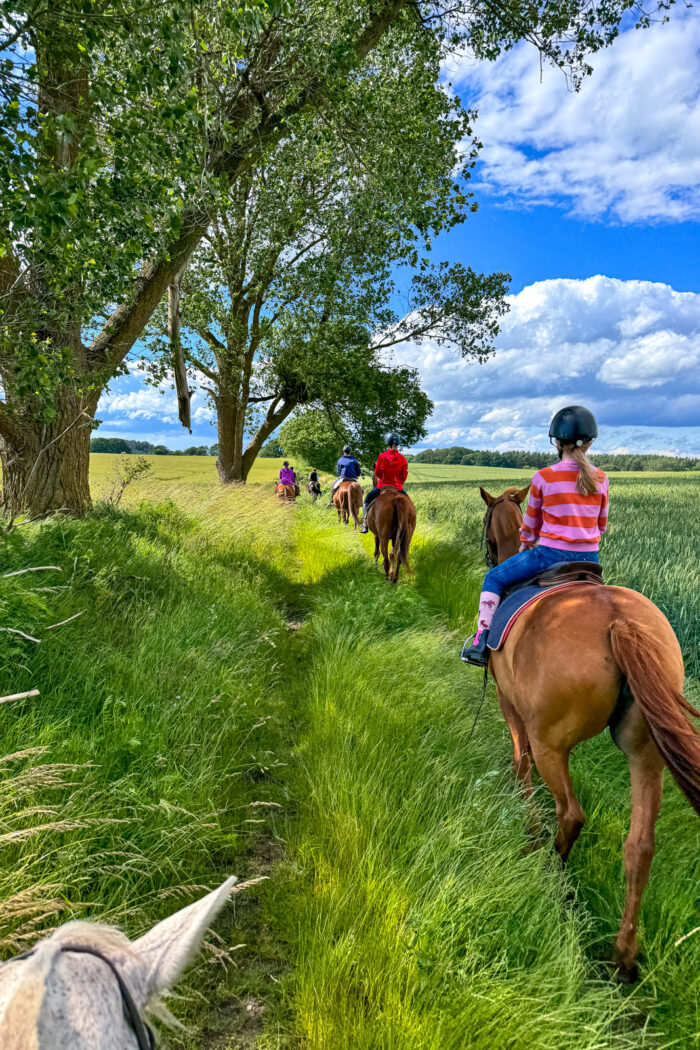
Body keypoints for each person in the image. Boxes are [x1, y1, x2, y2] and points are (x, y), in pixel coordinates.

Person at [461, 405, 609, 666]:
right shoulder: (601, 478)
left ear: (556, 442)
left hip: (548, 556)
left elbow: (530, 526)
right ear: (591, 442)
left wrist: (526, 544)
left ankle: (480, 641)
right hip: (590, 559)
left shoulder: (543, 477)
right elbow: (601, 526)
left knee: (493, 577)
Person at [359, 433, 408, 534]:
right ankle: (408, 526)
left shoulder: (381, 457)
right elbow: (404, 475)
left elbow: (377, 473)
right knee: (409, 504)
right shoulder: (403, 459)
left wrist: (383, 480)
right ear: (397, 444)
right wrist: (398, 483)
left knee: (366, 501)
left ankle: (365, 524)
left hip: (382, 486)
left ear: (388, 444)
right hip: (398, 488)